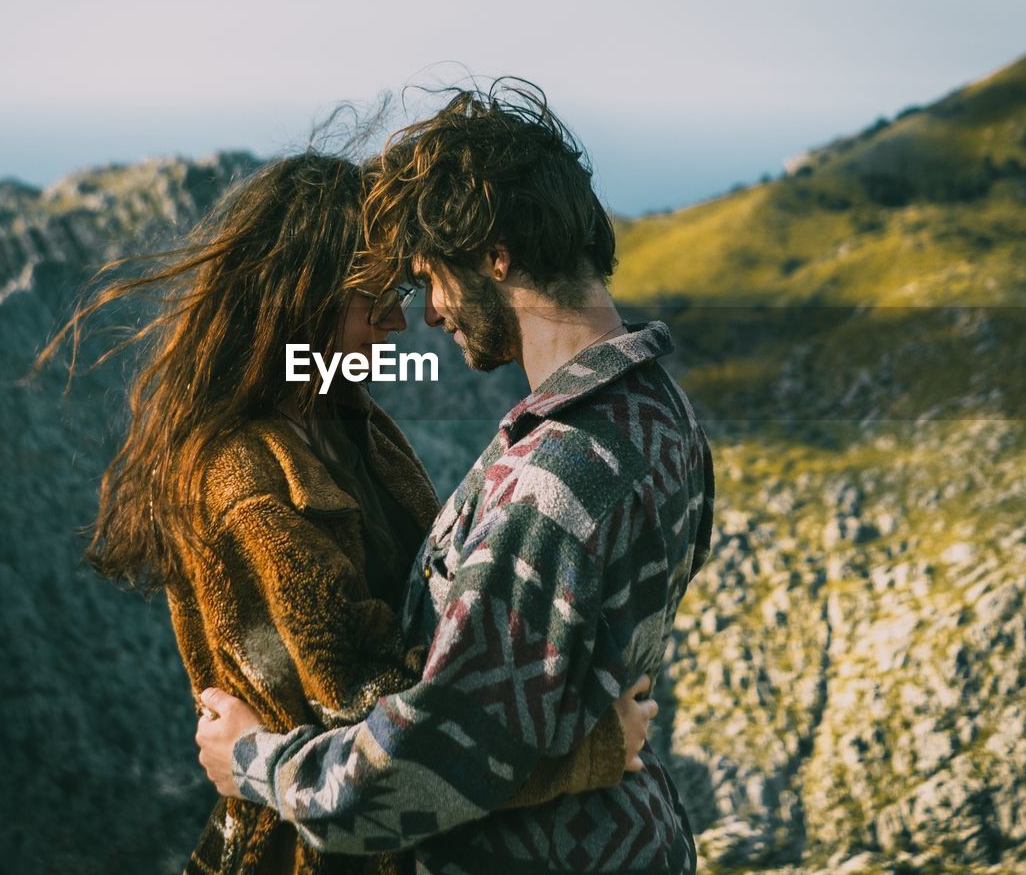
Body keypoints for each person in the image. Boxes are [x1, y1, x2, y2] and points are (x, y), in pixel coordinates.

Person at [40, 152, 657, 875]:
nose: (403, 321)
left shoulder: (345, 419)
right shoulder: (242, 482)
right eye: (377, 296)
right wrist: (585, 751)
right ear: (304, 301)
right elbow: (362, 719)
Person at [195, 85, 714, 874]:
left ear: (495, 254)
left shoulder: (556, 483)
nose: (429, 312)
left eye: (431, 276)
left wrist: (251, 764)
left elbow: (424, 768)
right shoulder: (665, 417)